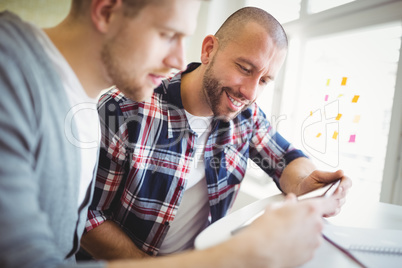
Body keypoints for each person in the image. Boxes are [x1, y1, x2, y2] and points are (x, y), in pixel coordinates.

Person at [0, 1, 343, 268]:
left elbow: (286, 160)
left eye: (265, 80)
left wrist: (309, 182)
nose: (179, 58)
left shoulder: (245, 115)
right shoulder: (118, 106)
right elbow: (69, 232)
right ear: (210, 50)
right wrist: (243, 255)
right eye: (168, 34)